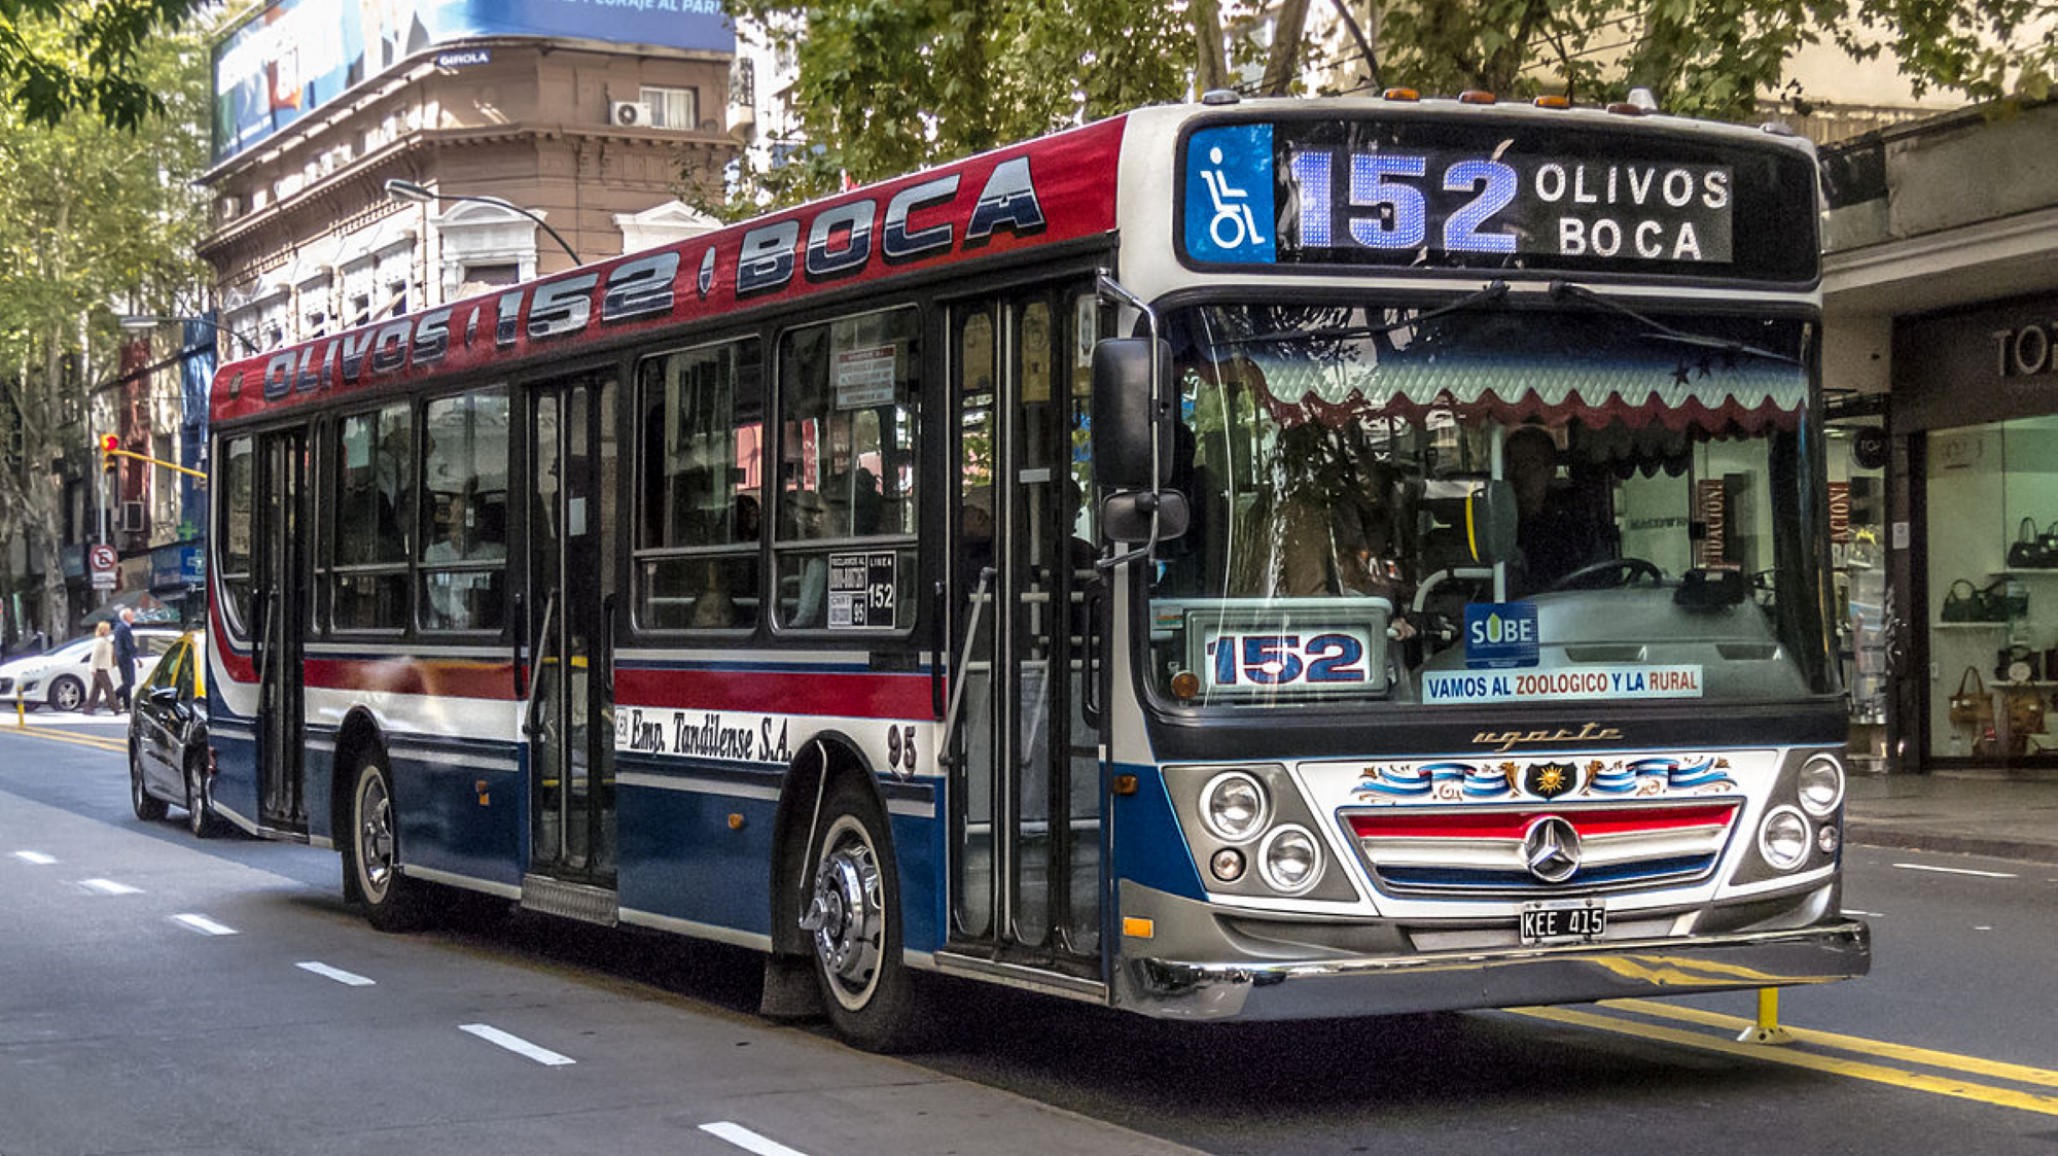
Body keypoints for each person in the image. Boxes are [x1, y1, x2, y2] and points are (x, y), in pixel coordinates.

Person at [1506, 425, 1606, 591]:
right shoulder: (1499, 525)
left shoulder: (1574, 525)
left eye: (1530, 463)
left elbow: (1602, 573)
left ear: (1550, 470)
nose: (1520, 473)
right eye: (1513, 464)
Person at [83, 623, 118, 715]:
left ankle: (88, 707)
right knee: (108, 687)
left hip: (103, 667)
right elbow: (95, 656)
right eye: (107, 629)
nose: (109, 631)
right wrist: (93, 668)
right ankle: (115, 708)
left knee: (96, 689)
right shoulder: (101, 642)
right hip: (99, 668)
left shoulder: (106, 641)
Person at [112, 608, 138, 712]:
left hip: (123, 657)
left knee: (127, 681)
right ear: (126, 617)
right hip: (125, 657)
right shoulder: (124, 628)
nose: (133, 617)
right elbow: (128, 645)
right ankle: (113, 697)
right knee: (129, 681)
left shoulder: (120, 627)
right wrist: (135, 653)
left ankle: (127, 704)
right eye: (131, 615)